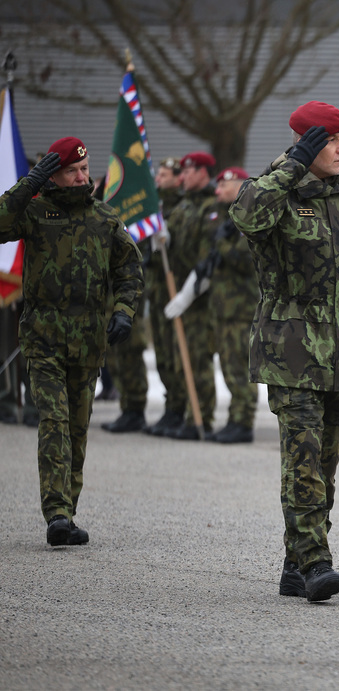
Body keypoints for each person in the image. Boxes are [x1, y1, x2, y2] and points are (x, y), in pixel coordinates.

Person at [229, 101, 339, 602]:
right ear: (306, 145)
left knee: (325, 461)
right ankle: (317, 561)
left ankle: (294, 560)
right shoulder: (276, 191)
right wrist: (291, 166)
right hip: (293, 349)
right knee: (302, 458)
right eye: (331, 141)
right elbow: (246, 217)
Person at [0, 137, 143, 546]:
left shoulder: (105, 218)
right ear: (54, 176)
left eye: (84, 169)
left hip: (88, 342)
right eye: (71, 171)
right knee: (54, 420)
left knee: (77, 428)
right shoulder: (34, 212)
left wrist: (123, 311)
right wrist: (29, 182)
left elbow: (130, 268)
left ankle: (68, 512)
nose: (82, 177)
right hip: (43, 338)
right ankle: (57, 512)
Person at [164, 151, 220, 440]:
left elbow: (207, 258)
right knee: (178, 357)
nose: (182, 177)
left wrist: (188, 294)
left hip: (199, 297)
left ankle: (202, 417)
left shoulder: (212, 207)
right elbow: (171, 244)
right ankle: (186, 411)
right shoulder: (184, 206)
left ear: (203, 172)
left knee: (198, 358)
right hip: (178, 293)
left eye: (188, 171)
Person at [203, 166, 259, 444]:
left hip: (241, 309)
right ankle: (234, 418)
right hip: (223, 308)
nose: (218, 191)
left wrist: (222, 245)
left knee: (240, 368)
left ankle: (243, 421)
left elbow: (244, 260)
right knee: (228, 367)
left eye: (225, 185)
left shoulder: (248, 218)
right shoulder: (225, 220)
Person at [144, 157, 189, 436]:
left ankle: (178, 407)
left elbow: (185, 253)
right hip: (158, 290)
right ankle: (170, 405)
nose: (158, 179)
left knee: (176, 354)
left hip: (177, 289)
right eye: (157, 174)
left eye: (164, 174)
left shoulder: (182, 208)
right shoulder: (153, 206)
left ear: (178, 177)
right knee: (161, 353)